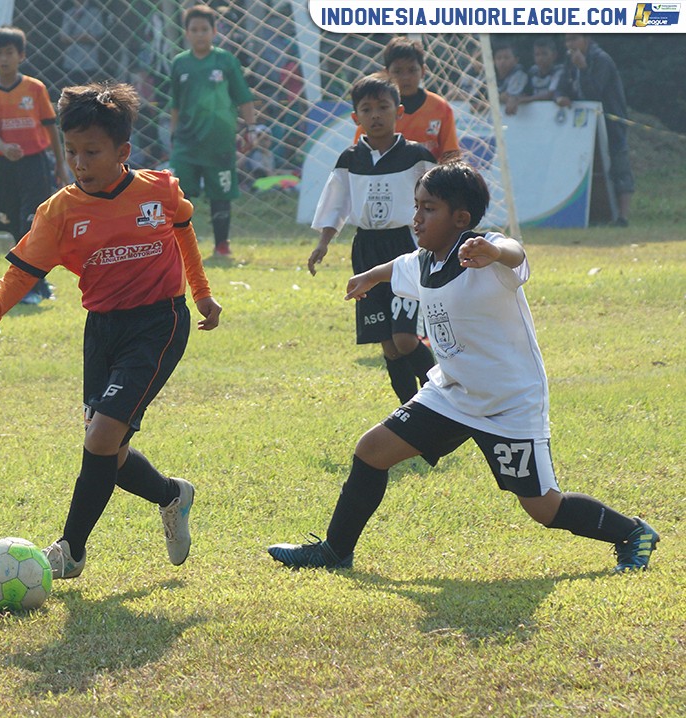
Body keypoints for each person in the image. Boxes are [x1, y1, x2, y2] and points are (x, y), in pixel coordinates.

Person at [268, 162, 659, 574]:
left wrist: (494, 252)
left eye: (429, 209)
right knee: (371, 451)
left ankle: (632, 532)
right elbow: (399, 266)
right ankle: (334, 551)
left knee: (543, 506)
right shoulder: (424, 262)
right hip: (451, 394)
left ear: (461, 219)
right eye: (416, 206)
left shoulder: (487, 253)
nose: (417, 217)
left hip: (507, 403)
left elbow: (515, 251)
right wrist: (369, 276)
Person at [0, 82, 223, 580]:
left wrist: (202, 292)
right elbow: (22, 273)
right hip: (102, 331)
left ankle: (71, 550)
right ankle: (172, 494)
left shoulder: (159, 191)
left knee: (101, 438)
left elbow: (184, 231)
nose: (79, 163)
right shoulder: (59, 212)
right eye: (71, 152)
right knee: (112, 452)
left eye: (91, 152)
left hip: (160, 323)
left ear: (122, 152)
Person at [309, 74, 438, 405]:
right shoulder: (350, 159)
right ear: (356, 117)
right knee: (390, 346)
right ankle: (409, 412)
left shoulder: (416, 156)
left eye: (383, 107)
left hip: (405, 247)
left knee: (406, 339)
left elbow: (438, 200)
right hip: (366, 250)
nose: (375, 115)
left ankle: (444, 399)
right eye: (367, 109)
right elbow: (336, 204)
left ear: (399, 111)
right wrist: (323, 242)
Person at [0, 26, 70, 305]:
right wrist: (4, 148)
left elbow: (50, 128)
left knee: (33, 222)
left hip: (35, 164)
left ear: (21, 55)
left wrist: (60, 164)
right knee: (16, 225)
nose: (4, 58)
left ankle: (28, 287)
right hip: (6, 166)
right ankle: (37, 282)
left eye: (10, 53)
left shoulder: (35, 88)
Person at [168, 4, 257, 258]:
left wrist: (251, 128)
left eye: (204, 29)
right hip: (186, 142)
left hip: (220, 143)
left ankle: (221, 246)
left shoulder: (226, 61)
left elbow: (244, 98)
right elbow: (175, 104)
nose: (200, 34)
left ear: (215, 31)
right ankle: (178, 247)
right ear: (186, 33)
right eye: (194, 29)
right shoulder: (179, 63)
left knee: (221, 195)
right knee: (179, 194)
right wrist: (173, 135)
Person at [561, 34, 633, 227]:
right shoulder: (569, 60)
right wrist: (561, 96)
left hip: (610, 121)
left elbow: (594, 93)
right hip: (584, 125)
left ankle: (623, 217)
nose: (570, 44)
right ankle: (598, 213)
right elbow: (562, 86)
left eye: (574, 39)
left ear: (586, 39)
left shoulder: (601, 60)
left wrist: (583, 68)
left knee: (619, 166)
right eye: (567, 40)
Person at [354, 35, 462, 163]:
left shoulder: (440, 107)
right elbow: (360, 153)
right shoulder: (376, 109)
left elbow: (451, 153)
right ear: (387, 73)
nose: (405, 77)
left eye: (412, 70)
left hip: (429, 175)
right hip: (387, 174)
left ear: (423, 71)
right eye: (397, 71)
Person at [59, 0, 107, 87]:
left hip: (89, 62)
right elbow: (63, 38)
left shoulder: (94, 13)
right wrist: (83, 36)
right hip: (71, 62)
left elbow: (96, 37)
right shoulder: (68, 13)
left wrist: (72, 38)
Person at [522, 37, 567, 105]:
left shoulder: (559, 71)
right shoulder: (532, 71)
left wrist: (526, 99)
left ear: (554, 55)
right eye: (537, 55)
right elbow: (524, 92)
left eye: (544, 54)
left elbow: (550, 94)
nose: (540, 58)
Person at [493, 41, 531, 116]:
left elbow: (509, 96)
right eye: (499, 58)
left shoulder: (520, 75)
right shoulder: (490, 76)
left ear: (516, 60)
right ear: (494, 61)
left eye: (506, 58)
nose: (502, 61)